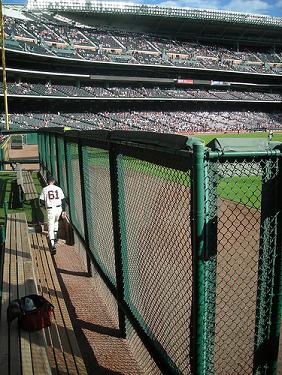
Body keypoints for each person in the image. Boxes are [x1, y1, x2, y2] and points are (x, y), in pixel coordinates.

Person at [39, 176, 66, 255]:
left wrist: (46, 206)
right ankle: (55, 237)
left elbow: (41, 201)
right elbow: (63, 200)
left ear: (47, 181)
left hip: (51, 209)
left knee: (50, 226)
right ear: (53, 181)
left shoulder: (45, 189)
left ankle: (52, 245)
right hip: (59, 209)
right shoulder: (58, 188)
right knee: (56, 222)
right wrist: (63, 210)